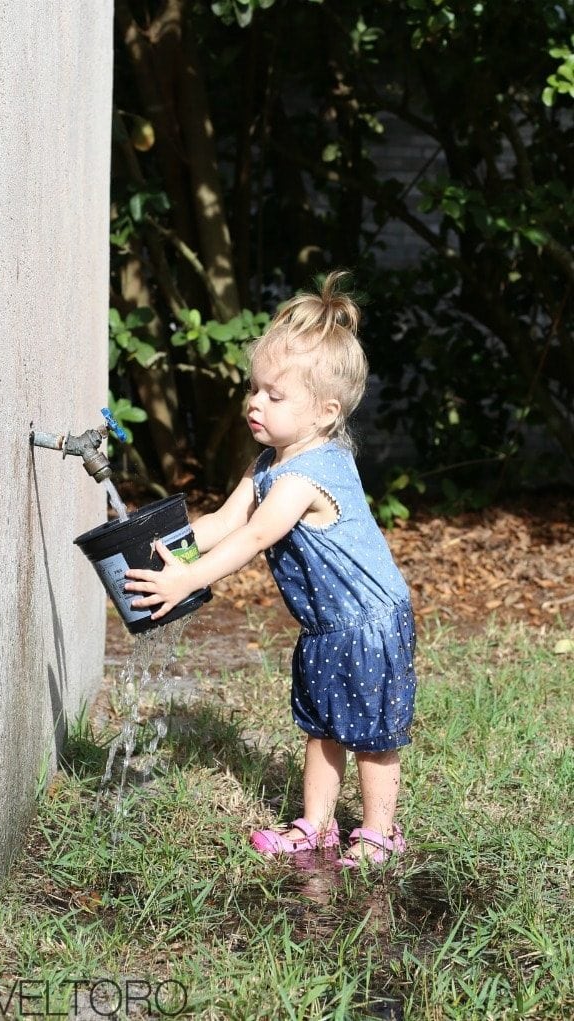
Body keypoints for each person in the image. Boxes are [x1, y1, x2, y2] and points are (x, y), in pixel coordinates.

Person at [124, 271, 417, 868]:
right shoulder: (270, 462)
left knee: (371, 733)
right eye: (254, 389)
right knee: (322, 726)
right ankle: (316, 826)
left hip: (368, 623)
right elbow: (226, 520)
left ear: (325, 412)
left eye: (274, 396)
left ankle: (381, 831)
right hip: (326, 627)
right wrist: (167, 547)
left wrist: (187, 578)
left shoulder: (307, 476)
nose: (255, 403)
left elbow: (256, 537)